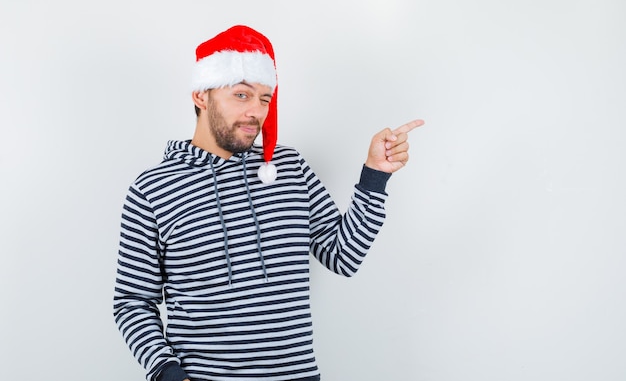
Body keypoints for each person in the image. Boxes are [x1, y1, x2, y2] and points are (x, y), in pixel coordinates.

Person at [113, 25, 424, 381]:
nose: (256, 113)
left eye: (265, 98)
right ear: (201, 95)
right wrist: (167, 372)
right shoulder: (153, 189)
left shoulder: (288, 168)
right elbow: (133, 301)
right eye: (242, 95)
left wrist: (375, 176)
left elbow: (343, 256)